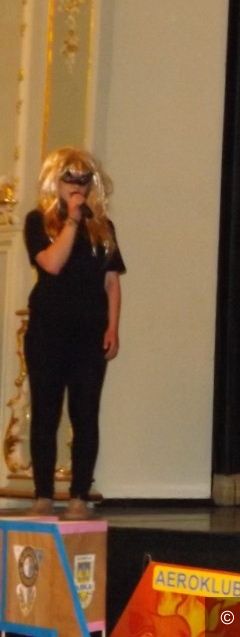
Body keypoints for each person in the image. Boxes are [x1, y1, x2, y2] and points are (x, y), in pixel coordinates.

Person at [23, 147, 126, 520]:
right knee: (46, 413)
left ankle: (79, 495)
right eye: (70, 179)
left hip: (89, 334)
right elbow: (51, 264)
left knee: (85, 414)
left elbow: (112, 282)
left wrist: (113, 327)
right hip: (47, 332)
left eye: (84, 179)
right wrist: (70, 220)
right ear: (56, 182)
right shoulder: (38, 221)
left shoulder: (103, 227)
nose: (77, 186)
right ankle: (43, 495)